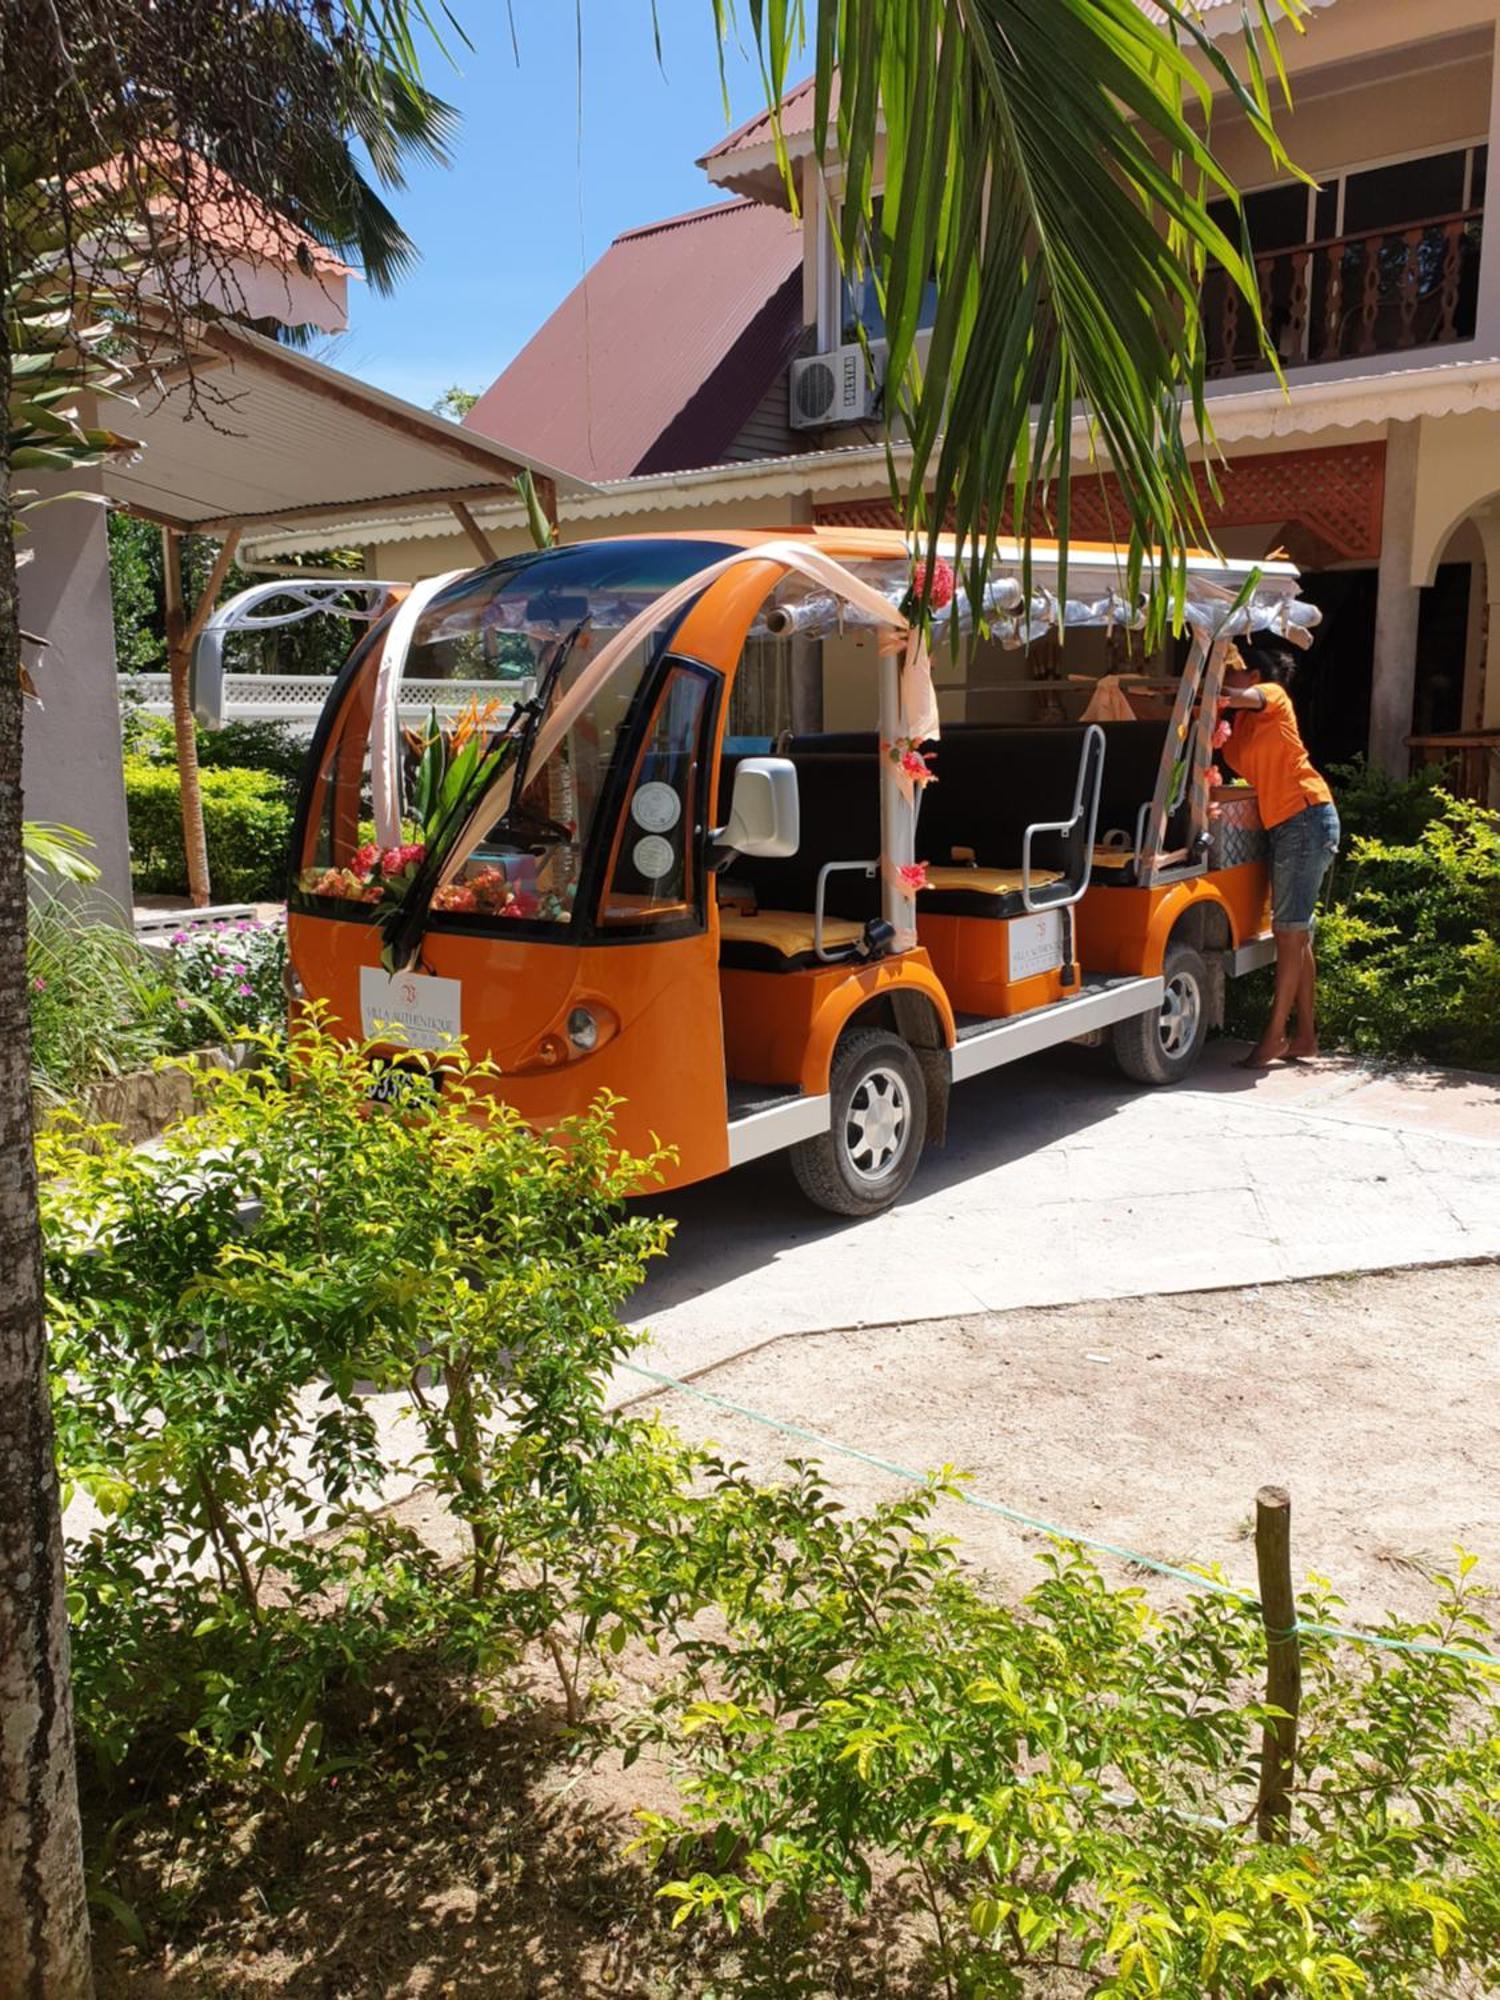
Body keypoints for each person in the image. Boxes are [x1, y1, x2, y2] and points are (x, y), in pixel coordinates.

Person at [1218, 641, 1340, 1067]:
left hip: (1306, 817)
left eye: (1231, 669)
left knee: (1289, 934)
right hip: (1288, 825)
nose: (1225, 676)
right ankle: (1304, 1037)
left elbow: (1241, 697)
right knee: (1296, 933)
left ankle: (1274, 1037)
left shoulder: (1273, 697)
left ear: (1254, 676)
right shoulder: (1238, 729)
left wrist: (1209, 691)